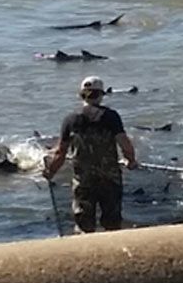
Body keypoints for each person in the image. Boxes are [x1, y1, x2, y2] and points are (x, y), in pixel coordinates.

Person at [43, 76, 139, 233]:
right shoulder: (111, 117)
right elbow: (125, 144)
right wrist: (131, 161)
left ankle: (87, 254)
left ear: (81, 95)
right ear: (101, 95)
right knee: (112, 223)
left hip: (83, 181)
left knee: (84, 224)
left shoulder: (70, 120)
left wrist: (50, 171)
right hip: (110, 179)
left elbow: (60, 152)